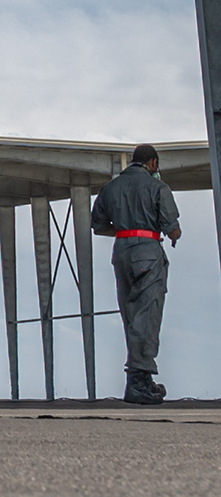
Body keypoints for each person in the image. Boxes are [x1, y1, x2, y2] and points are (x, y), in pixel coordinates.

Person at [91, 143, 181, 406]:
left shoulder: (110, 188)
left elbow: (98, 226)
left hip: (121, 252)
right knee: (147, 314)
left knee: (130, 315)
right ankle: (139, 381)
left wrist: (124, 229)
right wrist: (173, 234)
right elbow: (171, 227)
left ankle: (141, 378)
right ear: (152, 163)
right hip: (147, 252)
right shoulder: (157, 188)